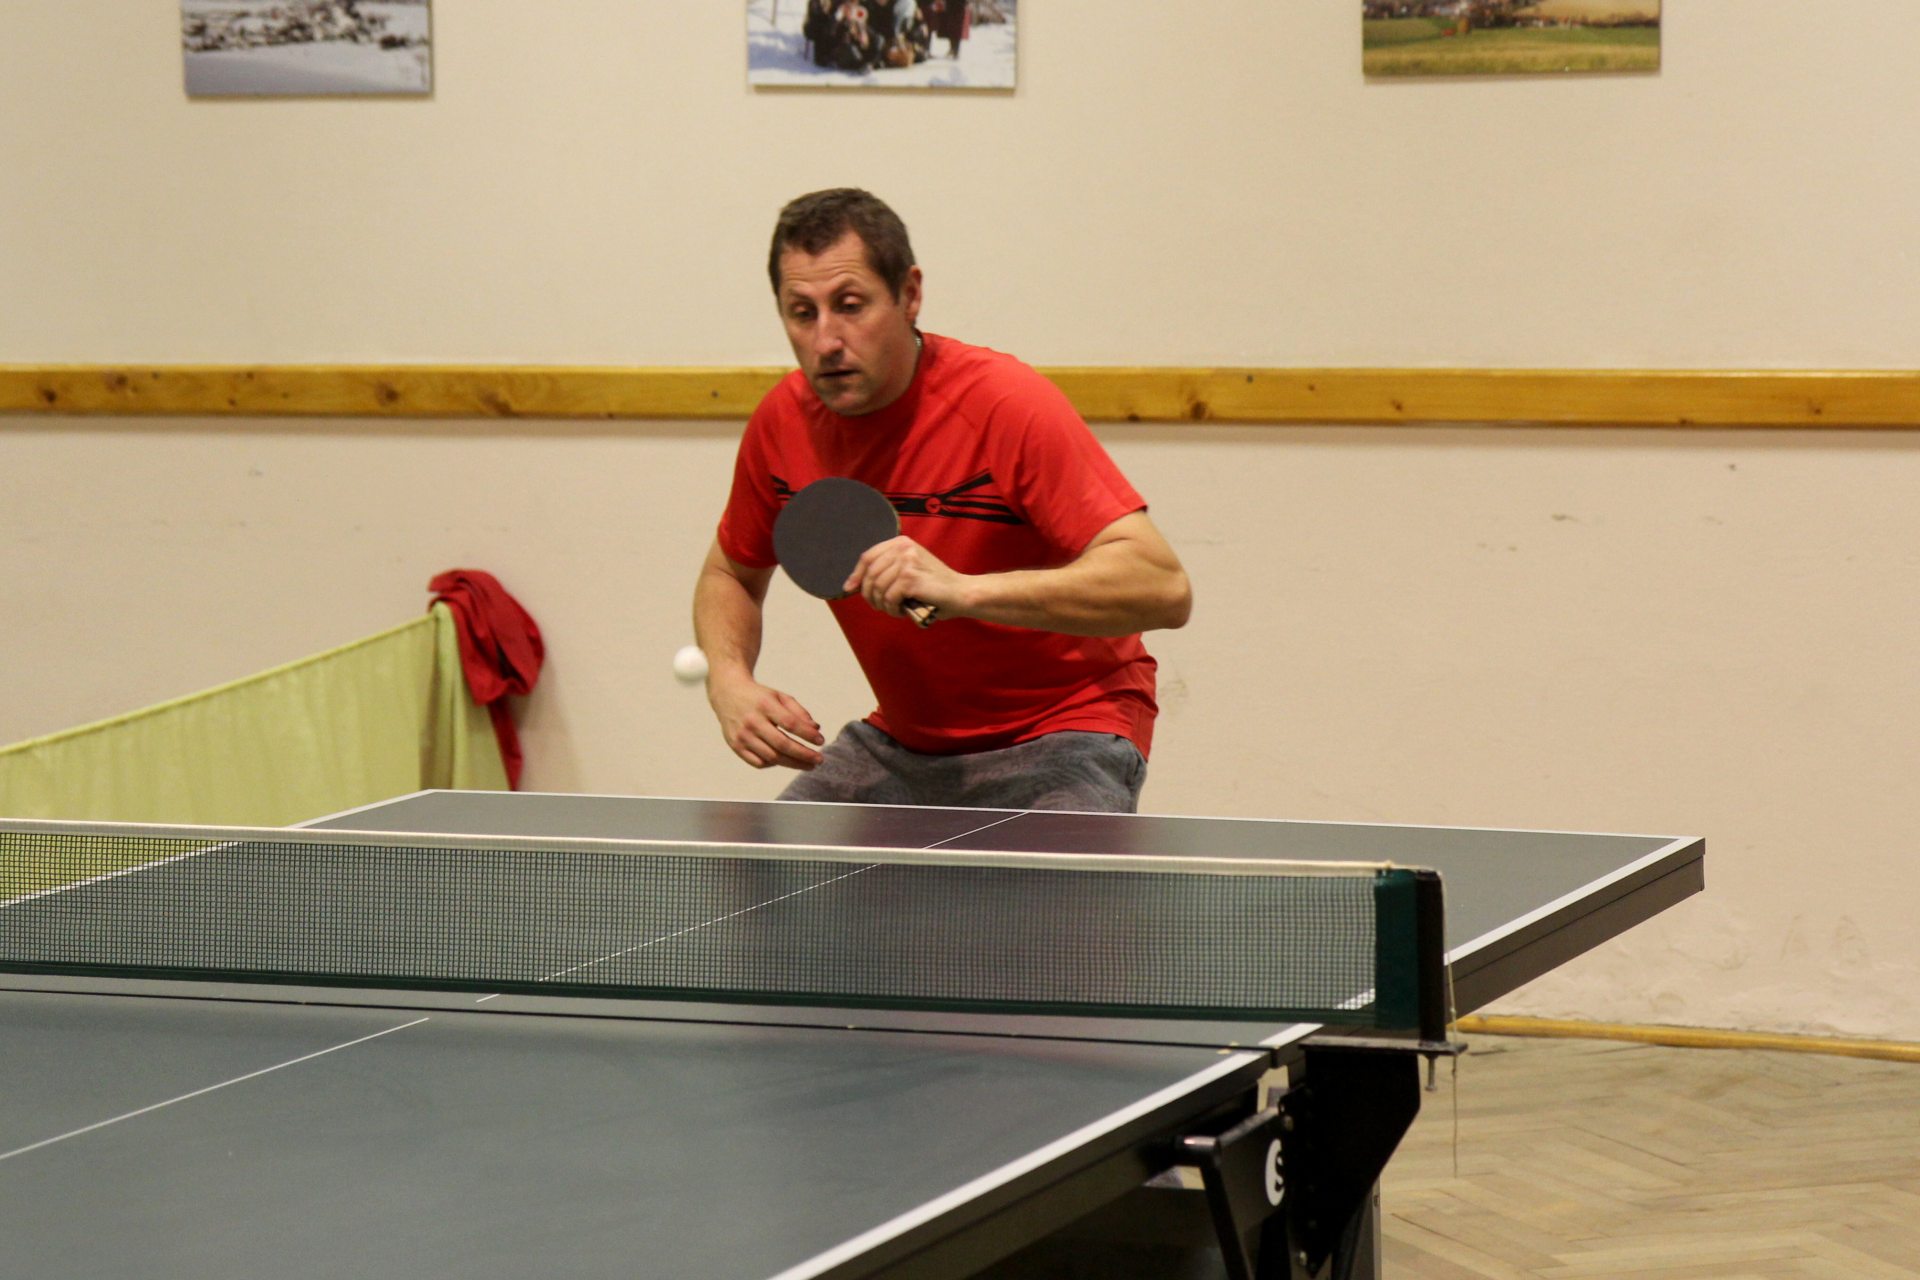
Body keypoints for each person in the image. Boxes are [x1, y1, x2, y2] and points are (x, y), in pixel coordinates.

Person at [692, 188, 1191, 812]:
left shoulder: (1003, 405)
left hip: (1068, 729)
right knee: (763, 869)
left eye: (850, 306)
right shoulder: (782, 424)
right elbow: (729, 574)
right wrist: (728, 679)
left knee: (1039, 878)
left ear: (909, 295)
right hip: (905, 745)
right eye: (802, 313)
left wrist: (962, 591)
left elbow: (1163, 587)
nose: (826, 340)